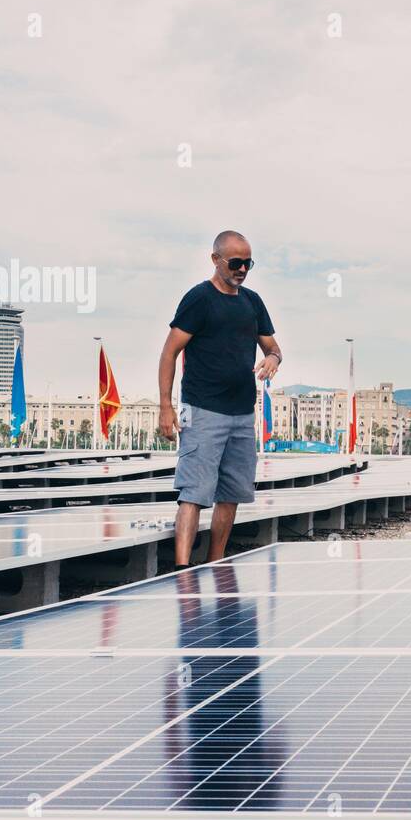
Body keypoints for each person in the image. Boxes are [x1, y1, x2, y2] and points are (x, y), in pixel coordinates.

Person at [158, 230, 282, 570]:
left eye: (248, 263)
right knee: (194, 492)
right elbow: (169, 353)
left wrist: (272, 358)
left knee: (232, 493)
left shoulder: (252, 302)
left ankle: (215, 563)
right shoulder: (199, 299)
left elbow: (273, 347)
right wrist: (166, 407)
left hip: (242, 414)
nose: (242, 269)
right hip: (202, 410)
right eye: (236, 262)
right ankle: (182, 570)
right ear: (216, 260)